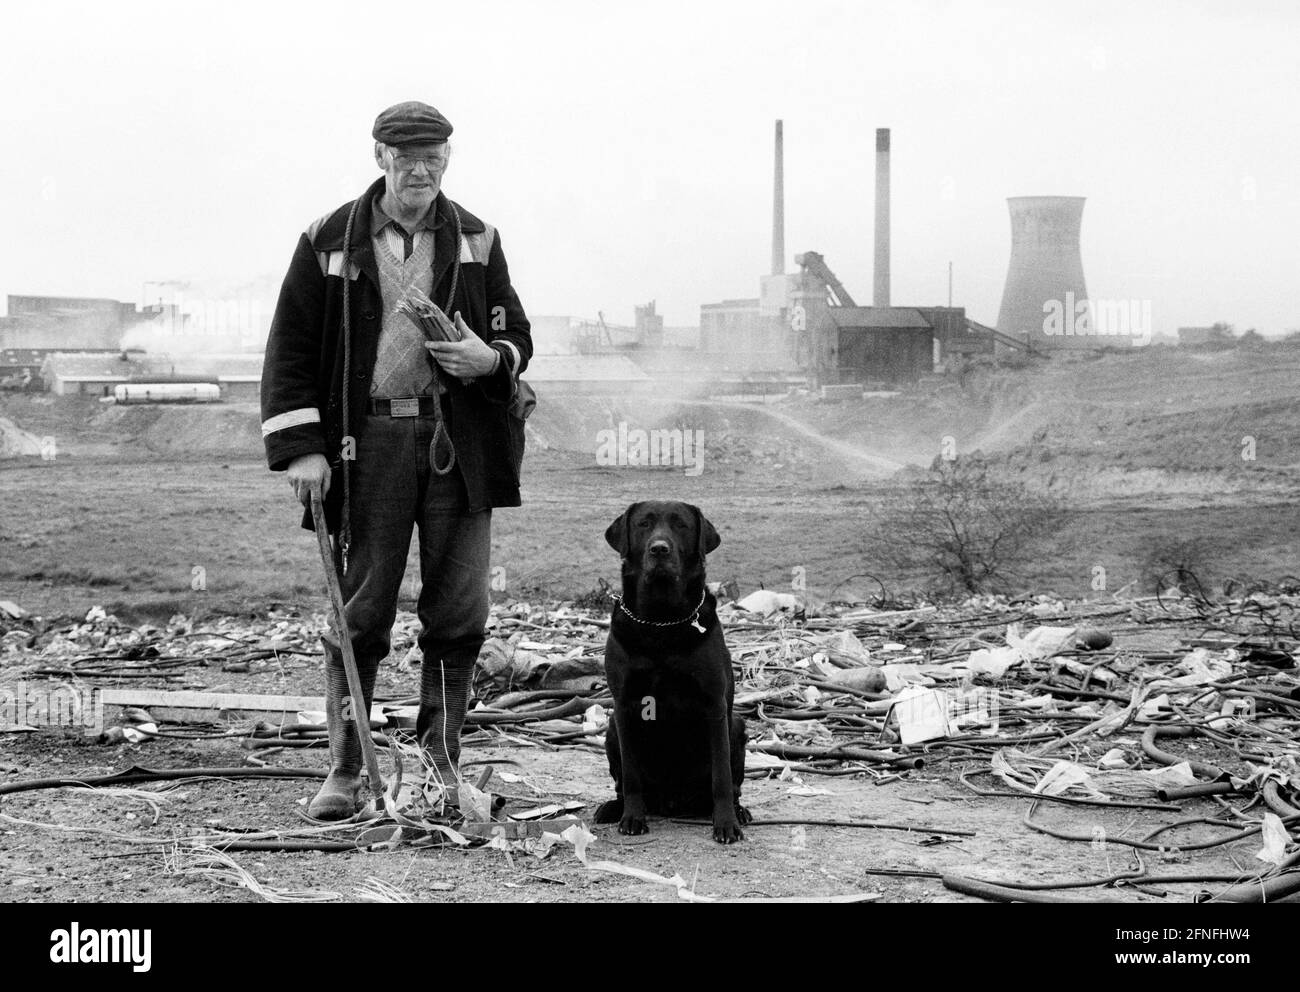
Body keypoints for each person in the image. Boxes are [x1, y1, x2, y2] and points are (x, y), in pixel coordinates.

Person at [260, 100, 532, 819]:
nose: (421, 169)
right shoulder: (327, 239)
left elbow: (514, 330)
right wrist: (301, 450)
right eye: (406, 156)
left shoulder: (477, 237)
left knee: (459, 610)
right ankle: (346, 773)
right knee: (362, 610)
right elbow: (289, 348)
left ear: (449, 156)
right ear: (378, 156)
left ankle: (442, 766)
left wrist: (489, 357)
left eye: (433, 156)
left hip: (457, 443)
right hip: (366, 445)